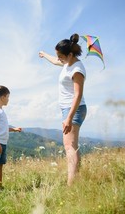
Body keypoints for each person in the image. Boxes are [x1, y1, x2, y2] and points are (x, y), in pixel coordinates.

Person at [39, 33, 87, 186]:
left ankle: (71, 184)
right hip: (68, 109)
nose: (58, 58)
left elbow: (78, 96)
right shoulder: (68, 63)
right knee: (72, 145)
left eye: (61, 55)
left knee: (69, 147)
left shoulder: (77, 69)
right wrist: (44, 54)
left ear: (70, 54)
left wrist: (68, 118)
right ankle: (76, 179)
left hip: (74, 109)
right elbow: (55, 61)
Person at [0, 85, 22, 193]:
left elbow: (3, 128)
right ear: (2, 97)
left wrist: (14, 129)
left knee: (0, 165)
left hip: (2, 143)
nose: (8, 99)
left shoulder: (1, 111)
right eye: (7, 97)